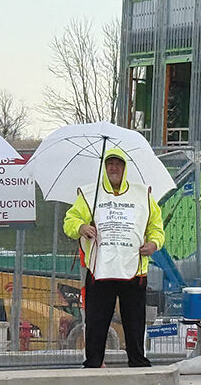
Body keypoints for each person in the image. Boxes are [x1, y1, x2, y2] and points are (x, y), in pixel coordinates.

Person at [64, 148, 165, 368]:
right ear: (104, 167)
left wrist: (154, 243)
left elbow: (156, 226)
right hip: (100, 270)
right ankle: (93, 362)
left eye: (118, 164)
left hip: (134, 271)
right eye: (110, 164)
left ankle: (138, 362)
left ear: (125, 167)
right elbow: (69, 221)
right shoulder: (90, 195)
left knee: (135, 322)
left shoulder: (143, 195)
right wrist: (81, 227)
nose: (114, 168)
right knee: (96, 321)